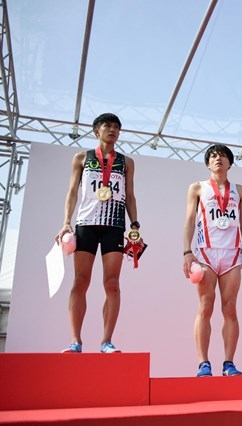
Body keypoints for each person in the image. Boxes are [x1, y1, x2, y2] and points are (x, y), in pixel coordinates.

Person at [55, 113, 141, 354]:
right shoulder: (82, 158)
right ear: (96, 131)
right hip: (86, 223)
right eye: (107, 126)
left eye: (116, 127)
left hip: (114, 225)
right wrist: (66, 222)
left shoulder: (126, 162)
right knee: (80, 280)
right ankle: (75, 340)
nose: (112, 130)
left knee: (112, 284)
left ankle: (106, 341)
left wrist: (135, 226)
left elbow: (130, 196)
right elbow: (72, 191)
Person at [182, 144, 242, 377]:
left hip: (232, 255)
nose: (218, 159)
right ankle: (203, 363)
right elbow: (190, 221)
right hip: (206, 254)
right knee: (205, 306)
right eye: (213, 156)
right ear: (208, 163)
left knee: (230, 308)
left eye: (223, 156)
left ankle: (229, 363)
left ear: (230, 163)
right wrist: (187, 252)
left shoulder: (240, 190)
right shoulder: (197, 187)